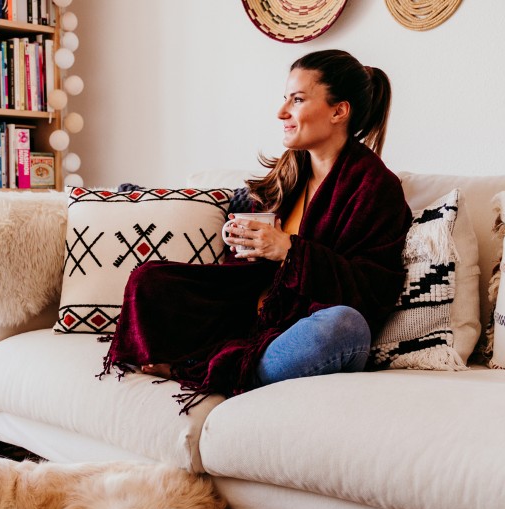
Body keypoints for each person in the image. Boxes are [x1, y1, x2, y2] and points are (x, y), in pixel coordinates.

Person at [101, 49, 413, 412]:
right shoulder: (288, 174)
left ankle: (217, 371)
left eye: (297, 100)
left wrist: (289, 251)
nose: (281, 113)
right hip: (253, 317)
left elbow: (372, 290)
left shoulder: (375, 187)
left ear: (338, 111)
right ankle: (219, 363)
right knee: (150, 279)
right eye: (285, 99)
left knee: (344, 326)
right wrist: (246, 247)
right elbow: (254, 273)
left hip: (308, 331)